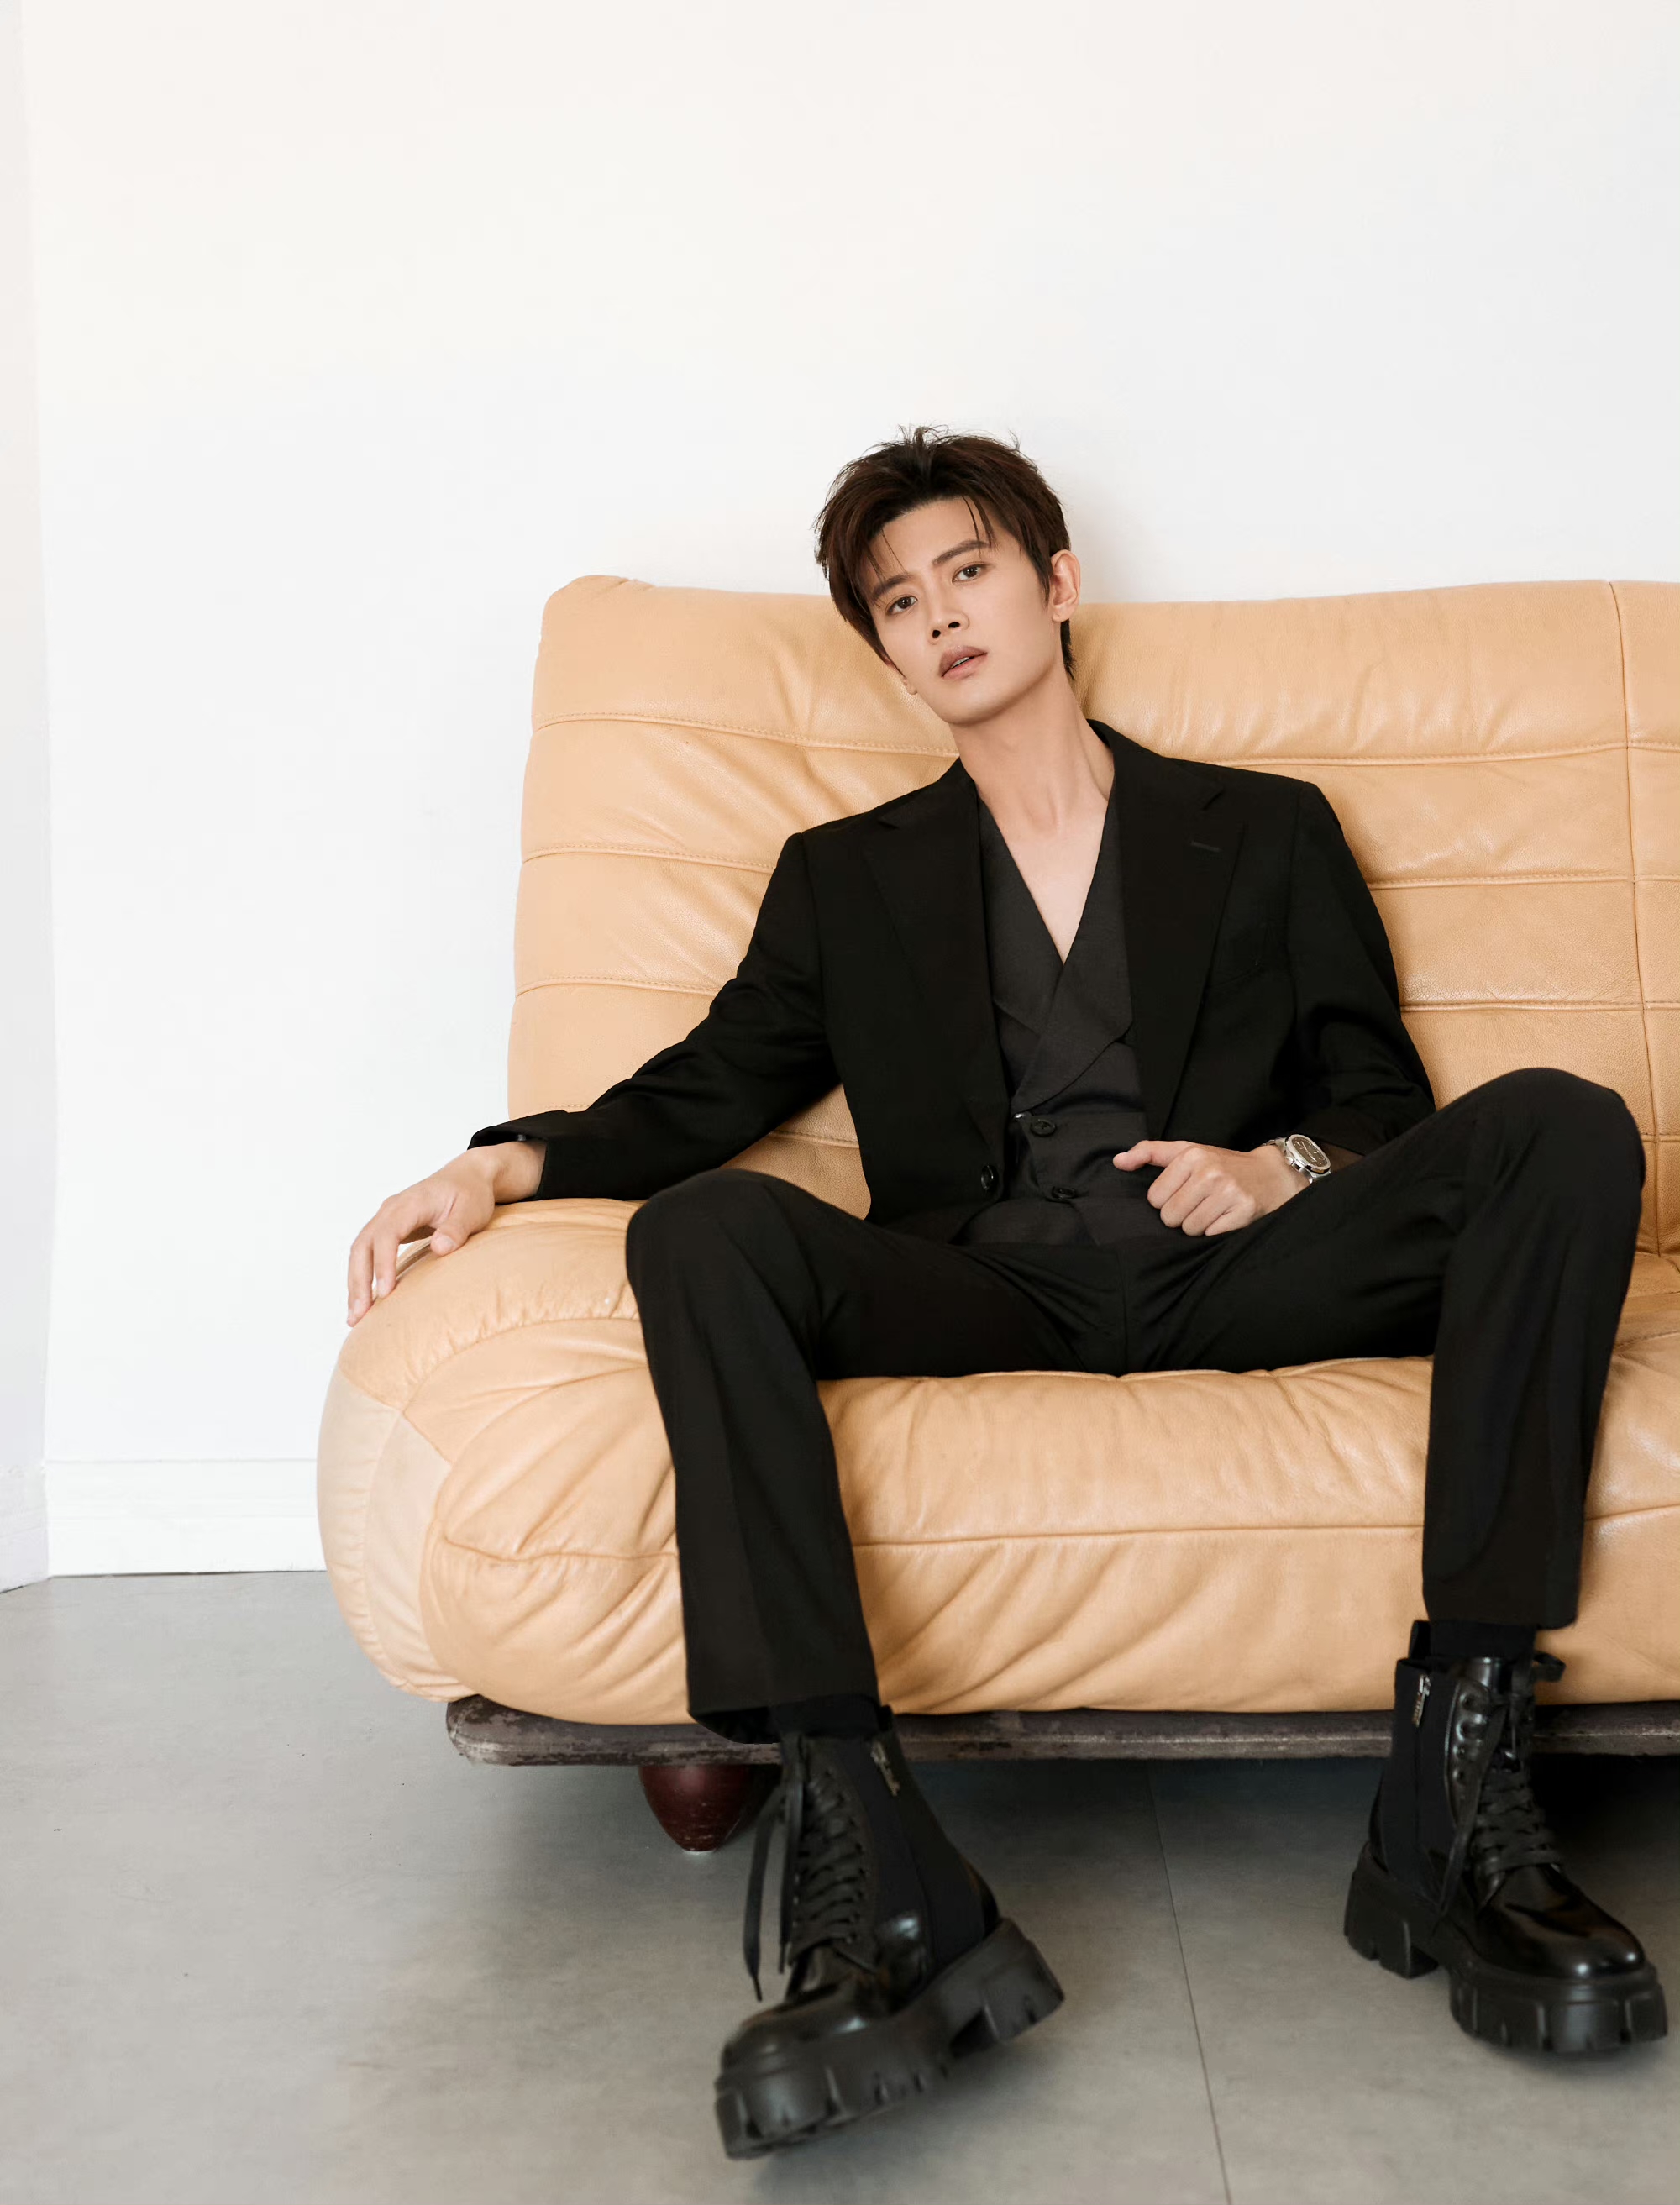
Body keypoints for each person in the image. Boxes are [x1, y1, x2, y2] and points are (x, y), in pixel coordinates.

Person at [346, 428, 1666, 2156]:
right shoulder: (845, 878)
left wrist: (1274, 1169)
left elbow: (1381, 1107)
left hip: (1232, 1274)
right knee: (704, 1230)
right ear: (886, 649)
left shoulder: (1264, 829)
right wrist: (502, 1163)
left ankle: (1461, 1785)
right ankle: (868, 1849)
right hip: (986, 1288)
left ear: (1054, 583)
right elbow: (700, 1095)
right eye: (899, 602)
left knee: (1565, 1123)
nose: (940, 616)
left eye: (967, 572)